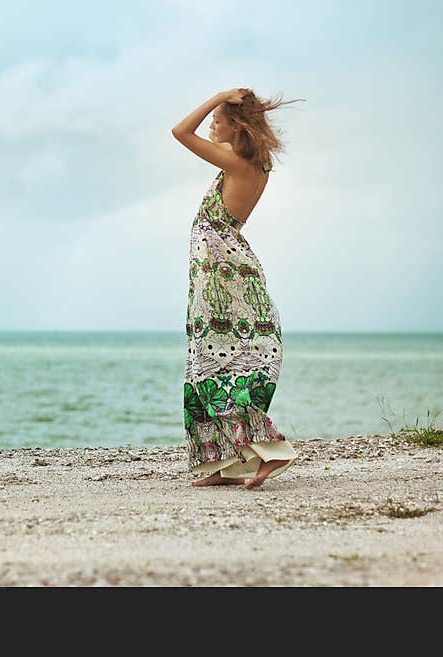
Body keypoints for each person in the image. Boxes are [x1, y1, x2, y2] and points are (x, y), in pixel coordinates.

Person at [171, 87, 305, 490]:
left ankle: (272, 449)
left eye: (218, 119)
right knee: (208, 364)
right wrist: (220, 104)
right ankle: (226, 463)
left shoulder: (239, 163)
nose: (212, 124)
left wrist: (215, 97)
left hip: (222, 277)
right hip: (218, 274)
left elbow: (180, 131)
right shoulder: (248, 163)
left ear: (236, 125)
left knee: (220, 365)